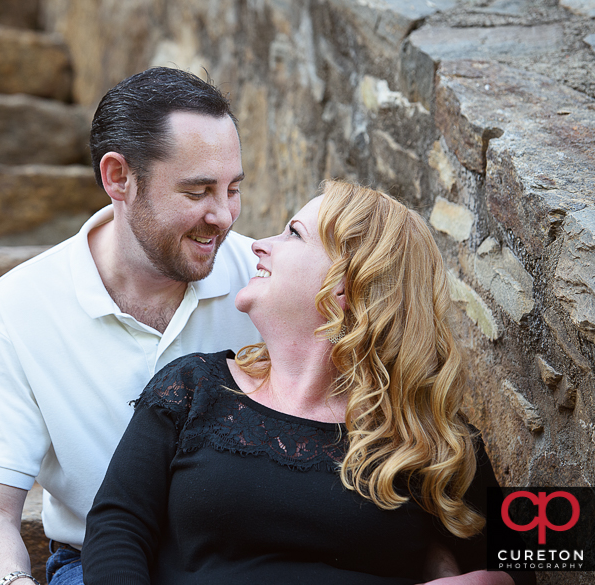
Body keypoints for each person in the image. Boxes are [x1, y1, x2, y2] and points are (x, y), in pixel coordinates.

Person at [82, 181, 536, 585]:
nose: (260, 244)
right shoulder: (192, 386)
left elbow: (548, 555)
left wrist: (488, 580)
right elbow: (116, 527)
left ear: (346, 284)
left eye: (293, 233)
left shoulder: (433, 435)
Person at [0, 67, 262, 585]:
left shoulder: (263, 279)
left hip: (246, 559)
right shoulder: (18, 307)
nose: (224, 216)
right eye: (197, 192)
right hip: (90, 560)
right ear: (118, 178)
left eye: (232, 189)